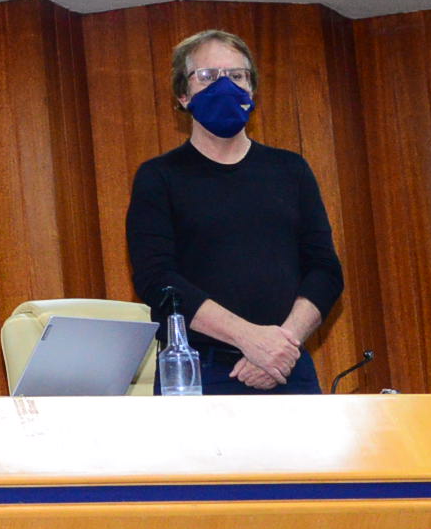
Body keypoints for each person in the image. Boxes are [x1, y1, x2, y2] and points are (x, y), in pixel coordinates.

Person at [124, 27, 342, 394]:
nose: (224, 87)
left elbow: (325, 270)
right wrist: (249, 339)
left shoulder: (290, 170)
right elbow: (156, 278)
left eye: (236, 76)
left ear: (252, 89)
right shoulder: (159, 177)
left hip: (288, 365)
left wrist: (279, 345)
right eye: (207, 77)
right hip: (198, 368)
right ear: (183, 94)